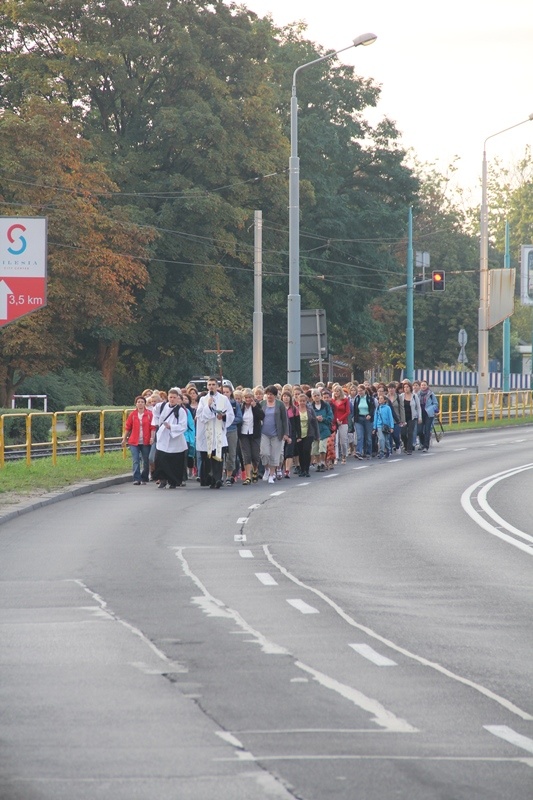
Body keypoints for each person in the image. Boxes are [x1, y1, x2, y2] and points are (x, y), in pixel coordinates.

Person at [196, 376, 235, 488]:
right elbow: (200, 416)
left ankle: (218, 479)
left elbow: (230, 415)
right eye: (209, 385)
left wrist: (223, 416)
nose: (211, 387)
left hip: (218, 432)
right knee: (208, 458)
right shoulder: (203, 400)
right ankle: (210, 478)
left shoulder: (224, 399)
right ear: (207, 386)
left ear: (217, 386)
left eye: (213, 384)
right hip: (207, 433)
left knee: (218, 457)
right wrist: (208, 406)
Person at [152, 388, 189, 488]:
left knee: (174, 462)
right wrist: (158, 423)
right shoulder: (161, 406)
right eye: (170, 397)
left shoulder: (181, 411)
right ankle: (162, 480)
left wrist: (172, 427)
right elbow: (154, 413)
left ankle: (173, 481)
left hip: (175, 440)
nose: (172, 399)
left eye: (174, 398)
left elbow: (183, 426)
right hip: (163, 438)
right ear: (168, 397)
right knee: (161, 460)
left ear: (178, 399)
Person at [260, 385, 290, 484]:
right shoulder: (262, 404)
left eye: (271, 394)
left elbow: (285, 420)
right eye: (268, 394)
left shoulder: (280, 405)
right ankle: (267, 469)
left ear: (275, 395)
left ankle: (272, 475)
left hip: (277, 434)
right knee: (264, 453)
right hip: (264, 433)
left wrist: (286, 433)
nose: (269, 396)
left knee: (274, 455)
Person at [121, 395, 153, 484]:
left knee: (146, 460)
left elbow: (152, 427)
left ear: (145, 404)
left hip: (146, 441)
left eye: (142, 402)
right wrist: (124, 439)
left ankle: (144, 477)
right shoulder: (133, 415)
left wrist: (152, 437)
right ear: (136, 404)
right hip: (134, 441)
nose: (140, 404)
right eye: (138, 402)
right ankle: (136, 478)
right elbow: (127, 427)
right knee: (136, 460)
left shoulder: (149, 414)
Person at [239, 388, 264, 484]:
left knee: (255, 455)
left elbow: (262, 416)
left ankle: (255, 470)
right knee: (246, 455)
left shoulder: (257, 405)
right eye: (246, 397)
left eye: (249, 397)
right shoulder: (241, 407)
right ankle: (248, 476)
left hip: (255, 434)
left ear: (252, 398)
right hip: (244, 433)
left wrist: (255, 407)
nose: (248, 399)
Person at [293, 392, 319, 478]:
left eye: (304, 401)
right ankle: (302, 469)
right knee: (300, 452)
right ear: (297, 401)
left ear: (306, 401)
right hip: (299, 434)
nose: (302, 402)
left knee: (306, 450)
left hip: (309, 433)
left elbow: (315, 422)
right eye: (300, 401)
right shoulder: (295, 410)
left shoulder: (310, 410)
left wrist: (317, 435)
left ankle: (307, 470)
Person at [222, 383, 243, 485]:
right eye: (223, 392)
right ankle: (220, 474)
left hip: (232, 430)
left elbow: (239, 418)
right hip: (221, 430)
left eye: (227, 392)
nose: (225, 394)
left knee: (231, 453)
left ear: (231, 393)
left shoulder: (235, 404)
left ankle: (229, 476)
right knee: (220, 453)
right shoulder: (219, 403)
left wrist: (228, 420)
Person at [310, 387, 333, 472]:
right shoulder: (310, 407)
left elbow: (330, 417)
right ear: (312, 397)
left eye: (318, 395)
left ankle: (323, 462)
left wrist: (323, 419)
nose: (316, 397)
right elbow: (308, 418)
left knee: (322, 447)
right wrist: (315, 418)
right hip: (314, 430)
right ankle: (318, 463)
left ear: (320, 396)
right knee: (315, 449)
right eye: (314, 395)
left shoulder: (326, 406)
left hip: (324, 429)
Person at [353, 384, 375, 459]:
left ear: (364, 390)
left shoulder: (369, 398)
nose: (360, 392)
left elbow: (372, 408)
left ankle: (368, 452)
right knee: (360, 436)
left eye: (361, 391)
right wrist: (354, 418)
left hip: (367, 419)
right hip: (359, 419)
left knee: (368, 437)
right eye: (358, 391)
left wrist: (370, 415)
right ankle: (359, 451)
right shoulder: (357, 399)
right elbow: (355, 409)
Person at [399, 381, 422, 455]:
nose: (406, 389)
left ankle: (409, 449)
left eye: (407, 387)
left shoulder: (414, 396)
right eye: (404, 387)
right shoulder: (401, 396)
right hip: (403, 417)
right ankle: (405, 445)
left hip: (412, 417)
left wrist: (419, 417)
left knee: (410, 433)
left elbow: (418, 407)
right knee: (403, 433)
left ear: (410, 388)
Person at [331, 384, 350, 464]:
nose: (336, 393)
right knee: (335, 441)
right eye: (335, 391)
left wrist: (341, 419)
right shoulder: (332, 401)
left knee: (343, 441)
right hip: (335, 422)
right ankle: (336, 457)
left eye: (338, 391)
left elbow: (347, 411)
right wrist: (335, 420)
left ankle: (344, 455)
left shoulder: (345, 400)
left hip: (343, 422)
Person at [418, 380, 440, 451]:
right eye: (422, 385)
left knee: (427, 429)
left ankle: (426, 446)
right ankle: (422, 443)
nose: (423, 386)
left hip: (428, 414)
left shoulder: (430, 394)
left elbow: (435, 403)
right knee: (420, 430)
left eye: (424, 385)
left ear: (427, 386)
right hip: (420, 413)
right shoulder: (417, 394)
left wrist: (432, 410)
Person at [281, 389, 298, 478]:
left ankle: (287, 470)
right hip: (282, 433)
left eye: (287, 396)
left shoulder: (294, 409)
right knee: (282, 453)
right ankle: (282, 468)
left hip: (292, 433)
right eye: (284, 396)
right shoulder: (279, 408)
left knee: (289, 452)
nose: (286, 398)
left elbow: (297, 423)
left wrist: (298, 435)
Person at [373, 394, 395, 459]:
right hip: (379, 425)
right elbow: (375, 418)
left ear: (385, 400)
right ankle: (381, 452)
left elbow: (390, 417)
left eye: (381, 398)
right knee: (381, 439)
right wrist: (374, 427)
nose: (380, 400)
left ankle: (388, 450)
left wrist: (391, 427)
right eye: (379, 398)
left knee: (386, 440)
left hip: (386, 426)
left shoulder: (388, 408)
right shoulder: (377, 408)